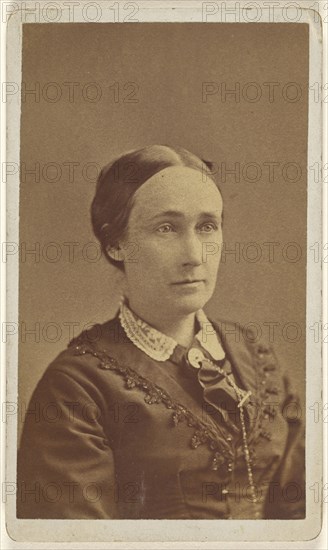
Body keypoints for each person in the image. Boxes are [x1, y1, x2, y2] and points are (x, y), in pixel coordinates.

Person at [17, 145, 305, 520]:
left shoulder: (255, 355)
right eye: (166, 228)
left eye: (207, 226)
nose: (194, 255)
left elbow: (304, 511)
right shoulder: (76, 387)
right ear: (116, 244)